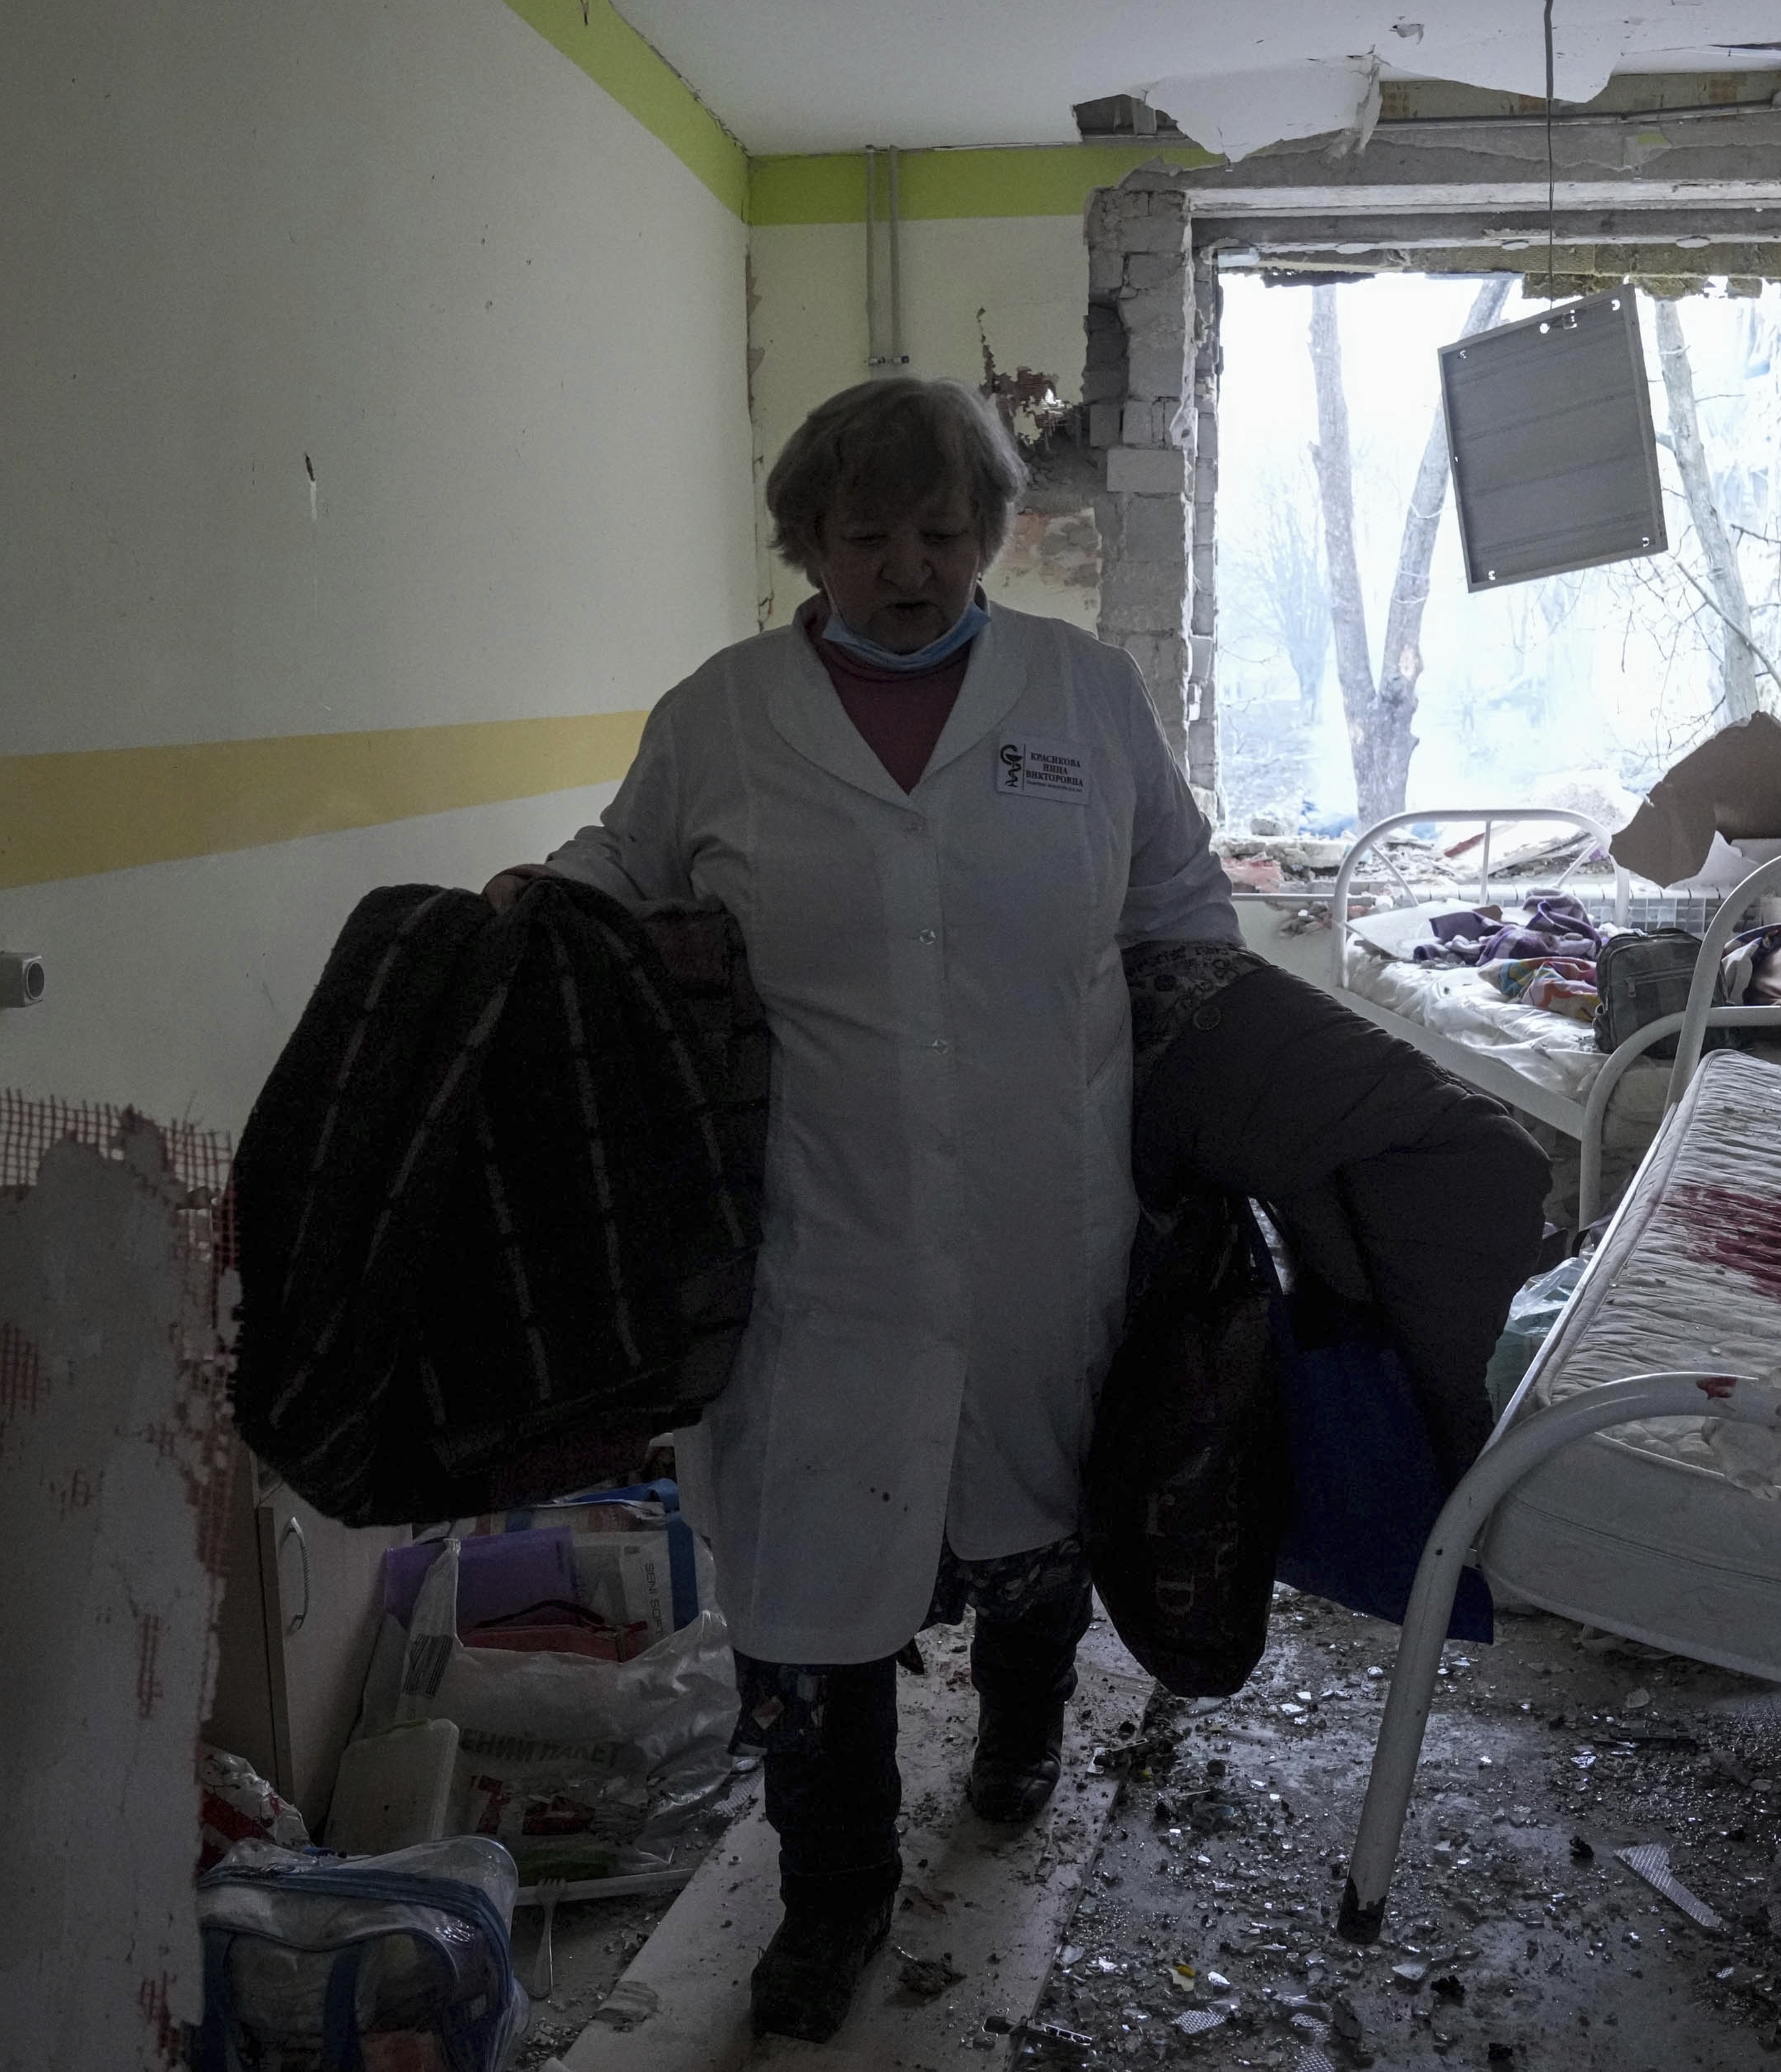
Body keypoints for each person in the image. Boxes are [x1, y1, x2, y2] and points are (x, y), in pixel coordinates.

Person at [483, 377, 1235, 2038]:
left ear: (993, 531)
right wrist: (534, 902)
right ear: (805, 543)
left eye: (946, 530)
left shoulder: (1084, 694)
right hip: (812, 1231)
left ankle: (1024, 1732)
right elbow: (626, 872)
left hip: (1053, 1207)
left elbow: (1182, 909)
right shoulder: (725, 713)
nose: (911, 566)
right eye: (869, 534)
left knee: (1040, 1516)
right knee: (810, 1579)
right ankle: (831, 1896)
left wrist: (1207, 1141)